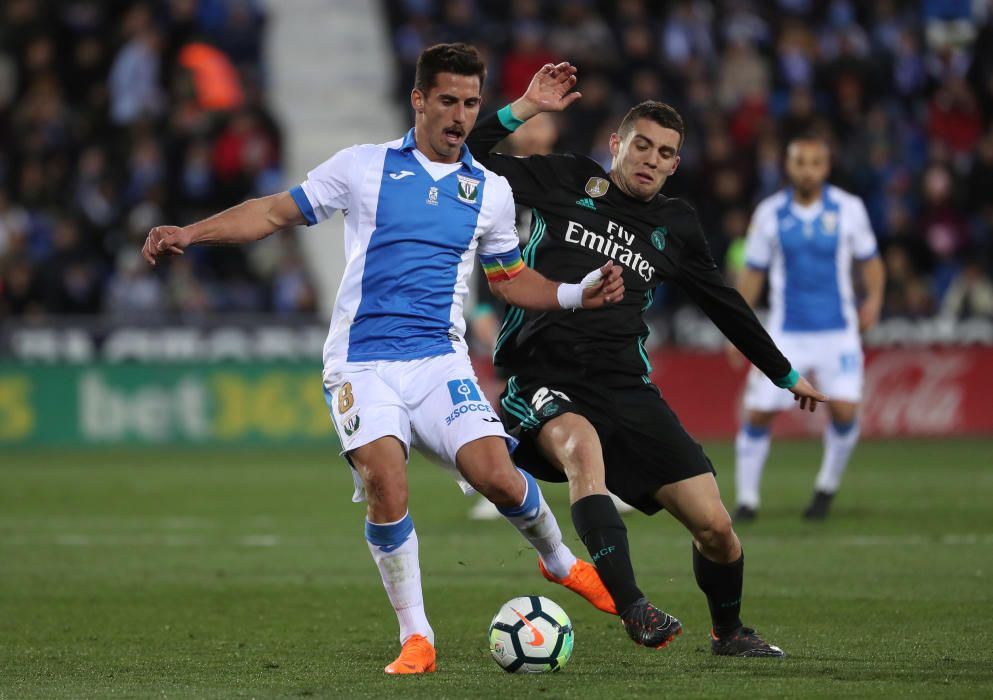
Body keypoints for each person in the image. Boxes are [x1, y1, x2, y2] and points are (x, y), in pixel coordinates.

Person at [141, 44, 625, 675]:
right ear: (419, 100)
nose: (459, 115)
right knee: (383, 480)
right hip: (361, 362)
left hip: (438, 362)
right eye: (447, 100)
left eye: (470, 103)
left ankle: (559, 561)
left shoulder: (491, 191)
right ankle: (416, 636)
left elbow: (510, 280)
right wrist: (189, 233)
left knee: (498, 476)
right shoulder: (363, 168)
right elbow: (271, 212)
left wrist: (574, 294)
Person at [465, 63, 826, 657]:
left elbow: (725, 304)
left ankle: (729, 633)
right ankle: (633, 606)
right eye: (642, 145)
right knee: (583, 452)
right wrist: (524, 108)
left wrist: (784, 374)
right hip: (543, 376)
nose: (651, 159)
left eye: (665, 152)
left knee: (716, 527)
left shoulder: (676, 225)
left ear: (675, 164)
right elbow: (467, 156)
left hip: (625, 386)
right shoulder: (568, 179)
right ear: (616, 144)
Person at [729, 132, 885, 522]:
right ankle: (747, 500)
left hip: (838, 331)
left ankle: (825, 490)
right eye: (801, 162)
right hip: (786, 332)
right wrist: (737, 328)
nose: (808, 171)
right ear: (788, 166)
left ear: (827, 168)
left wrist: (875, 299)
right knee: (759, 413)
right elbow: (753, 275)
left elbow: (871, 260)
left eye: (816, 163)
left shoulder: (849, 209)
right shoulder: (769, 213)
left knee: (846, 412)